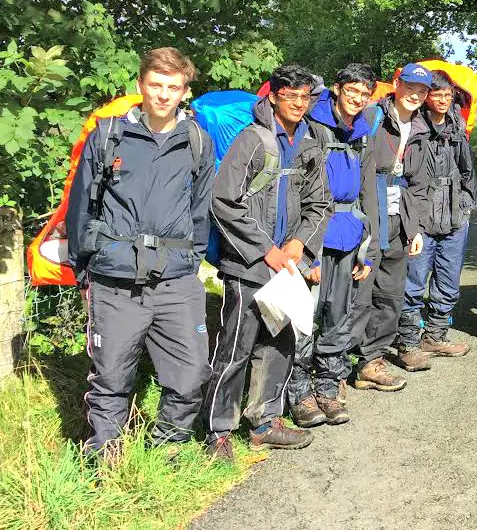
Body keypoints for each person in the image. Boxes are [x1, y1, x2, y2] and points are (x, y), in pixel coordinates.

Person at [65, 47, 216, 461]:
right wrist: (83, 270)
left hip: (176, 278)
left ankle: (168, 447)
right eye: (155, 85)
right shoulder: (110, 133)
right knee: (111, 375)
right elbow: (82, 205)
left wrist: (191, 263)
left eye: (173, 87)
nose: (163, 95)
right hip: (114, 277)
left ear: (185, 91)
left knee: (190, 374)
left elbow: (200, 210)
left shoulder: (198, 141)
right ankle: (105, 455)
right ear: (140, 86)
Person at [204, 64, 331, 461]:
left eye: (305, 96)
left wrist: (299, 244)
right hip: (248, 265)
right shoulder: (252, 139)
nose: (298, 103)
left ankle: (265, 424)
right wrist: (265, 250)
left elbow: (320, 203)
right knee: (235, 348)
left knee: (279, 344)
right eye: (290, 95)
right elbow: (224, 202)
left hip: (288, 267)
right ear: (273, 96)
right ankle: (218, 432)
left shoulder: (310, 141)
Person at [286, 64, 381, 428]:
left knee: (338, 317)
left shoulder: (362, 132)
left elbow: (367, 191)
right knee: (305, 318)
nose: (357, 99)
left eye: (364, 94)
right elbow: (298, 193)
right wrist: (305, 249)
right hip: (315, 236)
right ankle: (298, 393)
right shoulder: (312, 125)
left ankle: (327, 387)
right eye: (352, 91)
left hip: (348, 235)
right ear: (338, 89)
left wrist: (368, 250)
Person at [355, 62, 434, 382]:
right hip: (367, 216)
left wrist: (416, 228)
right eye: (411, 87)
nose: (416, 95)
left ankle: (372, 359)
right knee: (360, 291)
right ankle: (341, 361)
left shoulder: (421, 128)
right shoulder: (373, 117)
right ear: (396, 84)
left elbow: (419, 183)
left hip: (400, 219)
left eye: (422, 90)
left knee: (390, 291)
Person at [400, 70, 476, 360]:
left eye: (448, 94)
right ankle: (407, 342)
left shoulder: (457, 126)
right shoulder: (414, 127)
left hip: (455, 213)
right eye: (437, 94)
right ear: (426, 97)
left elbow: (467, 169)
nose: (443, 100)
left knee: (448, 279)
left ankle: (435, 336)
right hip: (421, 215)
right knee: (414, 281)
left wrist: (466, 202)